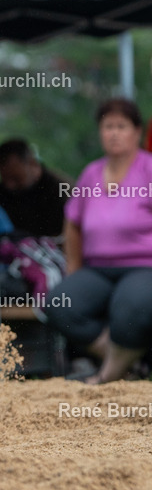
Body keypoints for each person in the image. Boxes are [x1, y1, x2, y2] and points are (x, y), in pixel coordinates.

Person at [46, 98, 152, 384]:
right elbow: (73, 225)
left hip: (144, 266)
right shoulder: (91, 173)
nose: (114, 133)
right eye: (108, 127)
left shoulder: (148, 169)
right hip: (97, 268)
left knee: (130, 306)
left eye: (121, 126)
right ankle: (129, 366)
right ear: (100, 132)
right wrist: (74, 267)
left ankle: (106, 377)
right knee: (60, 302)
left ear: (137, 132)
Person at [0, 138, 71, 238]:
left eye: (16, 179)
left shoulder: (62, 191)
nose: (9, 185)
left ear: (33, 164)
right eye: (4, 179)